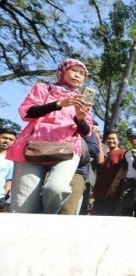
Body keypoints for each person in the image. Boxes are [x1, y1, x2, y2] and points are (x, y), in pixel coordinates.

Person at [7, 58, 93, 214]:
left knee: (57, 188)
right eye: (74, 70)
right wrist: (58, 104)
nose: (78, 75)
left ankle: (47, 219)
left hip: (67, 149)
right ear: (62, 71)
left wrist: (79, 118)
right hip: (31, 147)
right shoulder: (43, 88)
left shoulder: (82, 100)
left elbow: (87, 131)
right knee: (23, 207)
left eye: (82, 74)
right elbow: (26, 112)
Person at [59, 128, 101, 215]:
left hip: (81, 175)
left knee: (70, 209)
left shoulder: (94, 140)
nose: (94, 131)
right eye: (93, 129)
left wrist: (75, 143)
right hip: (55, 167)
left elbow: (99, 158)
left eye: (97, 130)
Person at [115, 128, 136, 216]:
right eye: (130, 138)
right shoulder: (127, 154)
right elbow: (124, 169)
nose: (133, 140)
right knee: (124, 206)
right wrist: (115, 184)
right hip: (129, 183)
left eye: (135, 137)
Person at [91, 130, 126, 216]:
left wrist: (114, 187)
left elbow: (123, 171)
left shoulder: (122, 152)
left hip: (113, 195)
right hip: (100, 195)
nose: (111, 141)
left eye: (113, 139)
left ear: (118, 141)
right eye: (108, 139)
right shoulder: (106, 155)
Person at [0, 128, 17, 212]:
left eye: (10, 139)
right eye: (4, 138)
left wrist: (4, 195)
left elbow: (9, 180)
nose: (6, 141)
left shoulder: (11, 161)